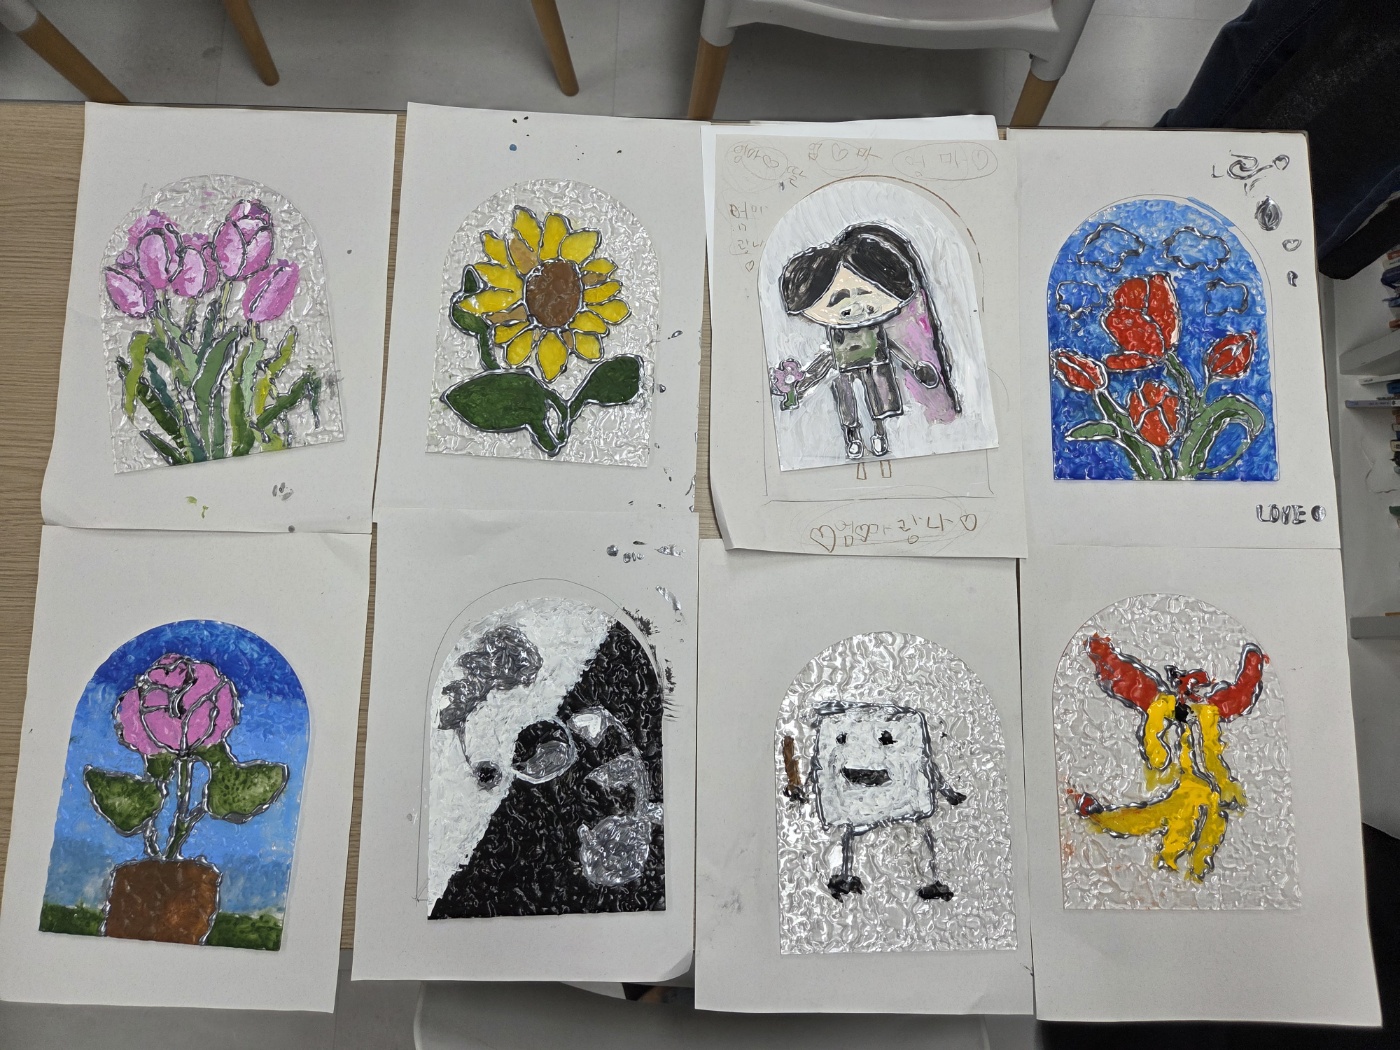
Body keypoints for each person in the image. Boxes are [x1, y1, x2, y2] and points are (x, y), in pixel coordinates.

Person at [774, 223, 956, 460]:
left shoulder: (873, 328)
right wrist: (803, 383)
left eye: (867, 297)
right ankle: (853, 438)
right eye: (837, 300)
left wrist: (914, 366)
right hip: (844, 370)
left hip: (876, 366)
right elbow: (827, 358)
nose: (856, 307)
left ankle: (879, 434)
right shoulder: (837, 334)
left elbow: (892, 347)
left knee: (879, 400)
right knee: (847, 404)